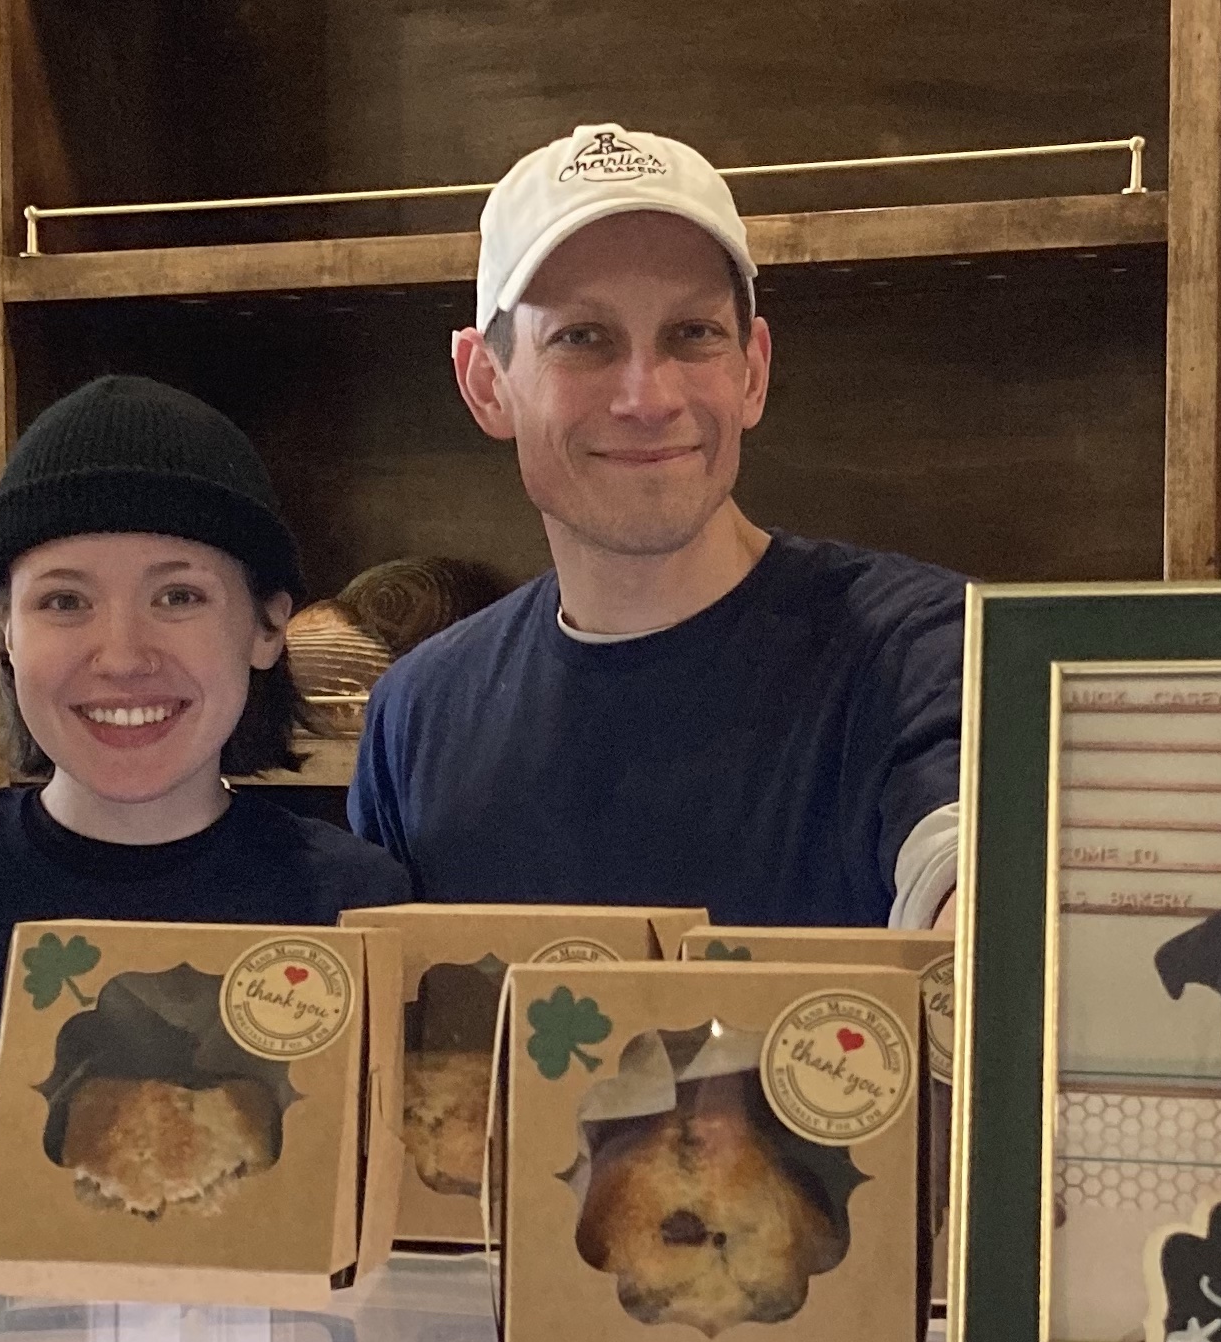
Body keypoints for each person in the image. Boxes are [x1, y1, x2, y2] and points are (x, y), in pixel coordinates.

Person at [351, 122, 964, 928]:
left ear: (752, 371)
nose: (648, 398)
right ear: (486, 383)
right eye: (583, 338)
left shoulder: (924, 649)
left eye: (693, 335)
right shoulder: (418, 715)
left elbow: (975, 880)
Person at [0, 374, 408, 1096]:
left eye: (177, 596)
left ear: (268, 626)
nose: (121, 656)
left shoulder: (361, 913)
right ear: (6, 635)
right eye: (65, 600)